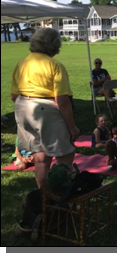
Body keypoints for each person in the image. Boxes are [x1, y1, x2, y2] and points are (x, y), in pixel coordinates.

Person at [11, 28, 79, 188]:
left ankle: (44, 196)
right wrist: (72, 127)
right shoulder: (55, 65)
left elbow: (14, 96)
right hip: (44, 109)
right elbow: (62, 101)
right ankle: (65, 197)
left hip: (22, 108)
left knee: (40, 155)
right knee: (65, 154)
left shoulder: (22, 63)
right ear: (54, 45)